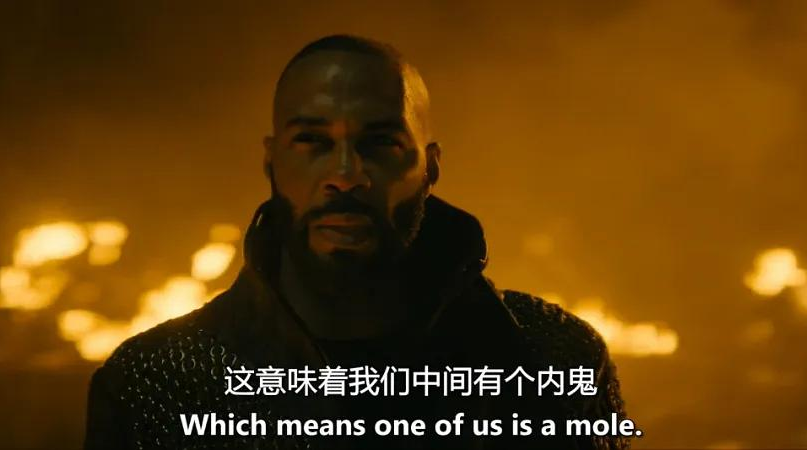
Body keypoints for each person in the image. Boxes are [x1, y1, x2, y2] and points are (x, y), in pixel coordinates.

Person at [84, 34, 628, 450]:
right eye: (313, 142)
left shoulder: (551, 360)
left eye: (380, 143)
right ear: (272, 161)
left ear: (430, 166)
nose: (345, 175)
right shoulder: (158, 382)